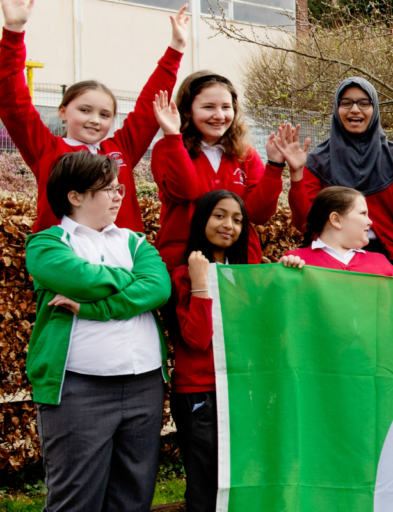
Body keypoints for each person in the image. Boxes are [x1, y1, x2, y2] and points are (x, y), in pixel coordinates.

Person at [25, 151, 172, 510]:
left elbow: (159, 288)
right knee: (75, 499)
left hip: (144, 385)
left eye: (119, 187)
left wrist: (95, 308)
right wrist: (131, 281)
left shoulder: (135, 241)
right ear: (75, 196)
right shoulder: (46, 245)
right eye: (108, 189)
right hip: (78, 389)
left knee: (133, 497)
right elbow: (85, 280)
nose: (119, 195)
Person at [0, 0, 187, 232]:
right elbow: (12, 99)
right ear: (63, 112)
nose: (95, 120)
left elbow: (149, 107)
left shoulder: (121, 149)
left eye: (105, 114)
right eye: (84, 110)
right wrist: (13, 32)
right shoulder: (46, 149)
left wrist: (176, 48)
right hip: (67, 261)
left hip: (121, 263)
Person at [271, 73, 393, 269]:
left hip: (382, 258)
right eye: (346, 103)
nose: (355, 109)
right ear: (337, 109)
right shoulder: (319, 160)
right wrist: (296, 173)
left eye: (364, 103)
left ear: (375, 109)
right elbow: (304, 223)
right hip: (330, 258)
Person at [169, 190, 252, 512]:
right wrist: (201, 281)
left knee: (239, 478)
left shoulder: (243, 276)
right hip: (199, 391)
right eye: (219, 215)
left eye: (237, 219)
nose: (229, 225)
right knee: (205, 482)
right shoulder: (183, 275)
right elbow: (198, 339)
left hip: (238, 388)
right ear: (202, 218)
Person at [151, 72, 282, 269]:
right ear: (187, 110)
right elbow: (187, 192)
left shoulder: (246, 155)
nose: (219, 116)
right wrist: (173, 135)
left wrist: (274, 166)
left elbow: (257, 214)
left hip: (238, 261)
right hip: (183, 261)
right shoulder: (167, 148)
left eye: (226, 107)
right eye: (208, 107)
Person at [280, 186, 393, 281]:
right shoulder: (295, 262)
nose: (370, 222)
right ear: (336, 219)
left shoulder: (381, 263)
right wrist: (280, 274)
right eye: (363, 213)